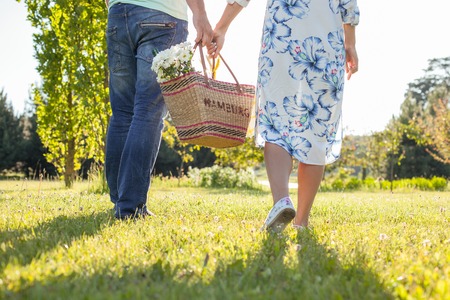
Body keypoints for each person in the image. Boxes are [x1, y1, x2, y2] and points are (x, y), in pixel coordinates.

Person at [208, 0, 360, 231]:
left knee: (276, 123)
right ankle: (301, 221)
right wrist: (350, 42)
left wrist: (221, 27)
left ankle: (281, 201)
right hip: (326, 45)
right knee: (315, 130)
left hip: (281, 38)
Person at [105, 0, 213, 219]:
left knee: (122, 113)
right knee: (148, 110)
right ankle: (130, 207)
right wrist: (200, 14)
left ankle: (120, 200)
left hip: (118, 13)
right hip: (161, 16)